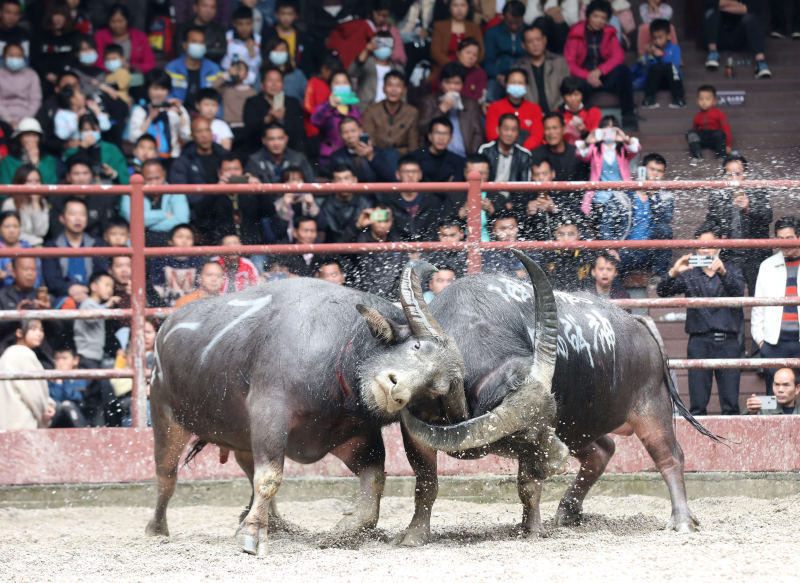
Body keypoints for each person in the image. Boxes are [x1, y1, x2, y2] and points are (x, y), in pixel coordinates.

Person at [657, 226, 745, 415]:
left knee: (731, 403)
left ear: (719, 246)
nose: (705, 249)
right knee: (698, 403)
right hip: (699, 341)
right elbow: (662, 292)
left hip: (728, 342)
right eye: (700, 245)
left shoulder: (732, 269)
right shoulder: (690, 273)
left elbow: (738, 292)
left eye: (709, 245)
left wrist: (723, 272)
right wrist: (674, 270)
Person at [563, 0, 637, 131]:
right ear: (588, 16)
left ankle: (628, 117)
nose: (599, 21)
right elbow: (569, 63)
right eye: (595, 16)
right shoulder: (576, 32)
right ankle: (581, 123)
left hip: (604, 76)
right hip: (584, 78)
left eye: (603, 18)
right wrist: (588, 75)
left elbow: (618, 56)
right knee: (573, 83)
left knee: (624, 71)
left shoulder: (609, 32)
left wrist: (599, 71)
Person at [704, 154, 772, 294]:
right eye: (730, 175)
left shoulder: (758, 191)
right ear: (724, 176)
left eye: (738, 174)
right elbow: (711, 222)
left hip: (755, 254)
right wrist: (717, 234)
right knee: (732, 298)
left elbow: (768, 216)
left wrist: (749, 207)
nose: (734, 179)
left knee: (759, 295)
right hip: (729, 255)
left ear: (745, 175)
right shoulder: (717, 196)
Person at [600, 152, 674, 279]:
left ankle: (659, 276)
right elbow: (607, 223)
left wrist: (652, 195)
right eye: (652, 169)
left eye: (660, 171)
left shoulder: (665, 196)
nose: (655, 174)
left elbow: (665, 220)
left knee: (664, 229)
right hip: (625, 250)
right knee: (608, 267)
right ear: (643, 170)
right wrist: (610, 248)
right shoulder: (623, 194)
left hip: (649, 250)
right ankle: (614, 296)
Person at [751, 216, 800, 395]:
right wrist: (761, 342)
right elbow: (758, 307)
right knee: (774, 395)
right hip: (774, 343)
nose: (784, 243)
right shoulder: (768, 266)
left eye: (789, 238)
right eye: (779, 239)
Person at [42, 196, 108, 304]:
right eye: (72, 214)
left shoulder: (97, 244)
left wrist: (87, 290)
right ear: (62, 218)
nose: (78, 218)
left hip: (93, 296)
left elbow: (101, 274)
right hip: (62, 298)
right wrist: (69, 289)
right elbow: (52, 279)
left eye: (82, 214)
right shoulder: (51, 246)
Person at [195, 153, 266, 246]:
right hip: (220, 247)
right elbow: (200, 214)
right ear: (219, 173)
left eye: (236, 169)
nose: (233, 173)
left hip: (252, 246)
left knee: (259, 261)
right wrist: (216, 191)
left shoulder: (251, 192)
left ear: (242, 171)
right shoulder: (214, 192)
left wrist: (259, 189)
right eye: (228, 170)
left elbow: (269, 211)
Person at [576, 115, 640, 214]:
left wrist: (624, 137)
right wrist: (587, 141)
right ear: (601, 130)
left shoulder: (623, 148)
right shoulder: (595, 148)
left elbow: (636, 149)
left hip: (622, 194)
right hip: (600, 196)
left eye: (612, 128)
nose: (609, 131)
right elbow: (580, 155)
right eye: (606, 127)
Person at [418, 62, 483, 157]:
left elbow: (478, 134)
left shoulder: (470, 104)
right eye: (448, 82)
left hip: (464, 156)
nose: (452, 87)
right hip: (437, 157)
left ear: (463, 84)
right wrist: (441, 109)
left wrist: (472, 156)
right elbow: (422, 129)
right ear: (441, 83)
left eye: (457, 83)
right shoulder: (429, 101)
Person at [121, 159, 190, 247]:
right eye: (149, 179)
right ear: (142, 177)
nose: (154, 183)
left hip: (170, 243)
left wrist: (146, 227)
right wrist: (163, 215)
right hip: (138, 244)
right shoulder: (129, 193)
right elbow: (133, 219)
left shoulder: (176, 192)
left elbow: (181, 220)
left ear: (164, 175)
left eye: (157, 178)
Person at [0, 319, 54, 430]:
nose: (39, 333)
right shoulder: (23, 354)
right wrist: (45, 409)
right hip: (22, 421)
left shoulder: (9, 353)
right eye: (33, 329)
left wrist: (48, 403)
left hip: (8, 420)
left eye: (41, 330)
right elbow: (33, 395)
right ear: (19, 333)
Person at [128, 69, 192, 160]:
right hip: (146, 160)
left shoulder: (177, 109)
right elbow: (133, 138)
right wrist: (149, 118)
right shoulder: (140, 111)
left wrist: (180, 115)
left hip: (172, 158)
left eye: (163, 89)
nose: (159, 93)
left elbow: (187, 137)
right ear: (147, 89)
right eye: (155, 88)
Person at [377, 156, 443, 241]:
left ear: (420, 175)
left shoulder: (432, 200)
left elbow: (434, 232)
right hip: (396, 249)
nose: (410, 175)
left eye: (414, 172)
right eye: (406, 172)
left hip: (425, 250)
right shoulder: (388, 201)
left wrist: (421, 251)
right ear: (398, 174)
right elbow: (382, 229)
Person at [241, 66, 304, 155]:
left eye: (278, 81)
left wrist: (281, 120)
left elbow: (298, 132)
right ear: (262, 85)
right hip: (258, 151)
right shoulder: (252, 102)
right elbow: (250, 131)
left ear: (283, 85)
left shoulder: (292, 103)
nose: (274, 84)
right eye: (270, 80)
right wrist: (268, 119)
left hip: (289, 151)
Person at [703, 0, 771, 78]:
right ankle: (713, 54)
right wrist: (737, 4)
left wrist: (723, 6)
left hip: (738, 36)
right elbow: (712, 4)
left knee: (751, 19)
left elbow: (747, 9)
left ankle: (761, 63)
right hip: (718, 36)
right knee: (711, 13)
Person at [513, 23, 569, 115]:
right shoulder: (518, 67)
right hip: (530, 116)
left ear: (544, 40)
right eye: (530, 41)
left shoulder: (559, 62)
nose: (535, 44)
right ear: (523, 45)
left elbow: (567, 90)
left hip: (558, 114)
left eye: (538, 40)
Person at [311, 70, 362, 168]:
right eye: (337, 83)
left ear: (350, 86)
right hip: (329, 157)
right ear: (330, 86)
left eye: (344, 82)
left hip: (351, 157)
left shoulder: (355, 110)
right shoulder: (324, 107)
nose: (341, 86)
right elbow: (315, 121)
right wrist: (329, 106)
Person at [485, 68, 544, 151]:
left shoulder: (535, 109)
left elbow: (537, 136)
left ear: (526, 85)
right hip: (501, 152)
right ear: (506, 84)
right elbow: (492, 135)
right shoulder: (494, 107)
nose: (517, 85)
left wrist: (521, 152)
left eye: (520, 83)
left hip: (528, 153)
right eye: (513, 82)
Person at [165, 27, 223, 111]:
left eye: (202, 42)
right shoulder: (172, 68)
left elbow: (217, 96)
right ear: (184, 45)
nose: (198, 45)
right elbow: (166, 94)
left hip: (206, 116)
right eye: (194, 42)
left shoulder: (214, 69)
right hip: (178, 113)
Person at [362, 71, 419, 156]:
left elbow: (413, 144)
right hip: (376, 156)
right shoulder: (371, 110)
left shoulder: (411, 112)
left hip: (401, 157)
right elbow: (369, 140)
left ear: (404, 91)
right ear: (383, 89)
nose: (394, 90)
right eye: (390, 85)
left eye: (398, 86)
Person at [62, 113, 129, 185]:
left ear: (99, 130)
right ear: (80, 132)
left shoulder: (111, 149)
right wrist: (82, 148)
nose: (90, 133)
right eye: (86, 130)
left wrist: (112, 173)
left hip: (106, 191)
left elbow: (124, 179)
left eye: (94, 129)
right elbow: (67, 172)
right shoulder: (72, 151)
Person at [148, 224, 206, 307]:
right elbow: (156, 289)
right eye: (180, 237)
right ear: (170, 241)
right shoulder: (161, 260)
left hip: (191, 307)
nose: (184, 241)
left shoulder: (199, 261)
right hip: (165, 307)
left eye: (189, 238)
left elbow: (201, 290)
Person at [327, 117, 399, 182]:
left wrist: (370, 156)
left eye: (353, 131)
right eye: (345, 132)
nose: (350, 136)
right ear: (340, 135)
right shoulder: (337, 157)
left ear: (361, 131)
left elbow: (392, 178)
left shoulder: (379, 152)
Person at [317, 165, 375, 243]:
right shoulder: (327, 206)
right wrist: (357, 226)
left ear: (354, 180)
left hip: (362, 248)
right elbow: (336, 238)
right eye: (338, 179)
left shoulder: (365, 202)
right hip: (337, 251)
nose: (343, 183)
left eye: (346, 178)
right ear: (333, 183)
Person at [348, 30, 405, 110]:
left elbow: (402, 93)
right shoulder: (365, 63)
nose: (383, 46)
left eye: (386, 43)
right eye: (379, 43)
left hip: (390, 112)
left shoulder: (397, 69)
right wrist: (366, 50)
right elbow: (352, 72)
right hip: (366, 109)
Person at [92, 3, 155, 75]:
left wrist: (131, 69)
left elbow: (150, 63)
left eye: (120, 21)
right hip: (107, 76)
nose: (117, 25)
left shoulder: (140, 37)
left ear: (127, 21)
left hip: (135, 75)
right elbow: (97, 62)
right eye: (113, 21)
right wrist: (112, 69)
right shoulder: (101, 36)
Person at [483, 1, 526, 102]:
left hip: (523, 77)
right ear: (503, 17)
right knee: (490, 94)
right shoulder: (492, 33)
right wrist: (498, 75)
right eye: (510, 23)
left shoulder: (528, 32)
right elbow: (488, 60)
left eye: (517, 23)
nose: (514, 26)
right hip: (498, 76)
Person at [244, 122, 314, 184]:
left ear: (286, 139)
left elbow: (310, 183)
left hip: (294, 197)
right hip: (265, 198)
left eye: (280, 138)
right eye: (271, 139)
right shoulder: (254, 161)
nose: (276, 143)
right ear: (264, 140)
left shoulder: (299, 159)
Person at [169, 117, 228, 186]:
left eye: (207, 130)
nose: (204, 135)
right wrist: (215, 191)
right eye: (199, 132)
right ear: (192, 136)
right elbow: (179, 189)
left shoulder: (224, 156)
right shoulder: (183, 162)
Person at [430, 0, 484, 74]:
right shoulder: (440, 26)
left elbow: (481, 52)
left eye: (463, 5)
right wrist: (453, 67)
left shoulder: (474, 27)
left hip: (469, 69)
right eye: (455, 5)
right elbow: (435, 52)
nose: (459, 9)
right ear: (449, 8)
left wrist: (469, 62)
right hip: (445, 69)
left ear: (468, 8)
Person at [640, 19, 684, 109]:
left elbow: (675, 65)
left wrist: (662, 55)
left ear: (668, 36)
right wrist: (650, 55)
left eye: (660, 37)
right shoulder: (651, 49)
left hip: (672, 81)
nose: (657, 41)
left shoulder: (675, 48)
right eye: (654, 38)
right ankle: (649, 99)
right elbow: (649, 67)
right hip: (657, 82)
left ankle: (679, 99)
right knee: (655, 67)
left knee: (669, 67)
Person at [0, 118, 59, 185]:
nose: (31, 139)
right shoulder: (8, 161)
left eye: (34, 135)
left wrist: (35, 162)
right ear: (19, 138)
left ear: (39, 139)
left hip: (42, 195)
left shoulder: (49, 160)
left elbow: (51, 185)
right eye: (27, 135)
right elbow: (4, 189)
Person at [2, 165, 49, 246]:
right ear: (20, 183)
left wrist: (35, 203)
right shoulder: (10, 203)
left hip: (37, 246)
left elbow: (41, 232)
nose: (34, 185)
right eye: (29, 181)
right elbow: (9, 234)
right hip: (15, 246)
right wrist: (35, 241)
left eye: (37, 181)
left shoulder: (42, 203)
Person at [542, 217, 593, 291]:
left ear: (579, 235)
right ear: (555, 235)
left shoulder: (588, 256)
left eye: (571, 234)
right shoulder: (548, 255)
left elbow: (592, 287)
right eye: (561, 234)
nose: (566, 239)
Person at [261, 0, 311, 74]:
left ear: (296, 15)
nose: (286, 18)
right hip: (272, 74)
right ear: (276, 14)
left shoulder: (302, 36)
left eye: (290, 14)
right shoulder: (268, 34)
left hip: (294, 75)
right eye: (283, 13)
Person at [0, 43, 42, 128]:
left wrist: (25, 120)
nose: (15, 58)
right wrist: (9, 120)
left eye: (19, 55)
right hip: (2, 118)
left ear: (24, 58)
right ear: (3, 57)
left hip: (28, 118)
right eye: (11, 55)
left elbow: (36, 100)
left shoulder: (31, 75)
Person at [412, 117, 466, 182]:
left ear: (451, 138)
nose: (441, 138)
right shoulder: (415, 158)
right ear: (430, 136)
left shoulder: (458, 161)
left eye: (445, 134)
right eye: (437, 133)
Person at [220, 5, 262, 87]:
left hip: (251, 84)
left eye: (248, 24)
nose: (244, 28)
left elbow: (258, 67)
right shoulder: (227, 37)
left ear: (253, 23)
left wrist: (252, 52)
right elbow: (223, 65)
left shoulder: (258, 40)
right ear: (234, 23)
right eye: (240, 24)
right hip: (230, 81)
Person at [47, 346, 89, 428]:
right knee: (57, 406)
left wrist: (65, 377)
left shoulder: (81, 376)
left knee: (68, 405)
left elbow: (75, 398)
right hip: (57, 419)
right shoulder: (51, 378)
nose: (60, 362)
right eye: (57, 359)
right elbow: (53, 400)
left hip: (78, 416)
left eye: (64, 358)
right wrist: (58, 381)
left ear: (75, 360)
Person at [520, 159, 561, 241]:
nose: (541, 178)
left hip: (560, 245)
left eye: (544, 174)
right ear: (532, 177)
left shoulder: (562, 193)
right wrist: (527, 213)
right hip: (534, 247)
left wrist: (554, 209)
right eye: (537, 174)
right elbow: (519, 228)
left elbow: (573, 220)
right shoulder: (524, 198)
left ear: (553, 174)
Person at [687, 85, 731, 159]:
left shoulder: (719, 114)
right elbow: (695, 130)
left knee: (720, 133)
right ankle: (697, 154)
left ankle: (721, 155)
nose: (704, 102)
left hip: (715, 139)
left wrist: (728, 145)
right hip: (702, 140)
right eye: (701, 99)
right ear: (697, 101)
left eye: (707, 99)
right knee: (690, 133)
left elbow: (726, 129)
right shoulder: (697, 116)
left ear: (714, 101)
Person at [557, 76, 602, 145]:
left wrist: (585, 131)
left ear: (582, 95)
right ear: (563, 96)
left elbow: (597, 137)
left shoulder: (593, 111)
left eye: (576, 94)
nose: (573, 98)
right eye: (569, 95)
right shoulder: (558, 113)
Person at [262, 36, 307, 102]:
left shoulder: (298, 75)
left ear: (288, 53)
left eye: (282, 50)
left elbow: (307, 95)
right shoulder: (262, 73)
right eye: (275, 50)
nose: (279, 53)